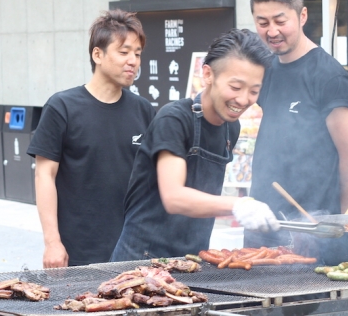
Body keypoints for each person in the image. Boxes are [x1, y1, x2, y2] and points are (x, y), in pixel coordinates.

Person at [110, 28, 280, 261]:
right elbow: (174, 197)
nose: (243, 100)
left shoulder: (232, 127)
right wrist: (238, 205)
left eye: (254, 91)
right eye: (236, 87)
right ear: (208, 75)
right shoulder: (175, 119)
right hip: (141, 259)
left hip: (192, 260)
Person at [27, 9, 156, 268]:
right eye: (124, 52)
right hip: (77, 251)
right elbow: (44, 175)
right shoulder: (62, 106)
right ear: (98, 54)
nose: (133, 60)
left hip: (132, 249)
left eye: (138, 53)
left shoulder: (143, 110)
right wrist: (52, 242)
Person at [246, 0, 348, 248]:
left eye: (280, 21)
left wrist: (330, 219)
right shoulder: (265, 68)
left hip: (308, 228)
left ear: (302, 16)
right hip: (261, 221)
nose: (271, 31)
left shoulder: (329, 77)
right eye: (262, 22)